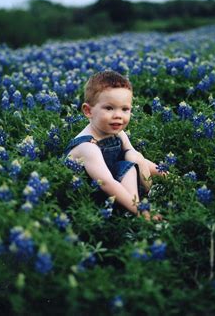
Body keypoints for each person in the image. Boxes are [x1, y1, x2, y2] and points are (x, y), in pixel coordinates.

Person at [64, 70, 165, 221]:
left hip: (119, 188)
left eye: (125, 109)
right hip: (95, 199)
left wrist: (168, 176)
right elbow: (107, 183)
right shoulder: (87, 147)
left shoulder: (117, 133)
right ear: (88, 110)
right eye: (109, 108)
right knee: (128, 167)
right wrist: (142, 211)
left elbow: (137, 159)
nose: (118, 115)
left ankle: (151, 193)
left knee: (132, 155)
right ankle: (139, 212)